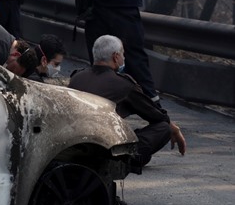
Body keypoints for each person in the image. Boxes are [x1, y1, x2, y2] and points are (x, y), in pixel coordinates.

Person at [69, 35, 186, 172]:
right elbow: (156, 115)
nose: (124, 58)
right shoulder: (124, 84)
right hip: (104, 149)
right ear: (116, 57)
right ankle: (128, 161)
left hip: (72, 143)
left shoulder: (76, 77)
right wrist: (174, 129)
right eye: (123, 53)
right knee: (163, 128)